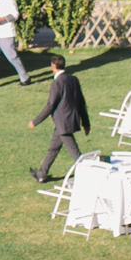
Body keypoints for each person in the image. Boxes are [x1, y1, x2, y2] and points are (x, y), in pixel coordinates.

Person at [29, 55, 90, 183]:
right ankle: (42, 174)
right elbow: (81, 102)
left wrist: (35, 121)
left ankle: (89, 173)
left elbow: (50, 105)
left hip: (63, 124)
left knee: (75, 153)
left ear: (53, 66)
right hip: (69, 120)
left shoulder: (57, 83)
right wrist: (85, 123)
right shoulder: (73, 79)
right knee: (53, 148)